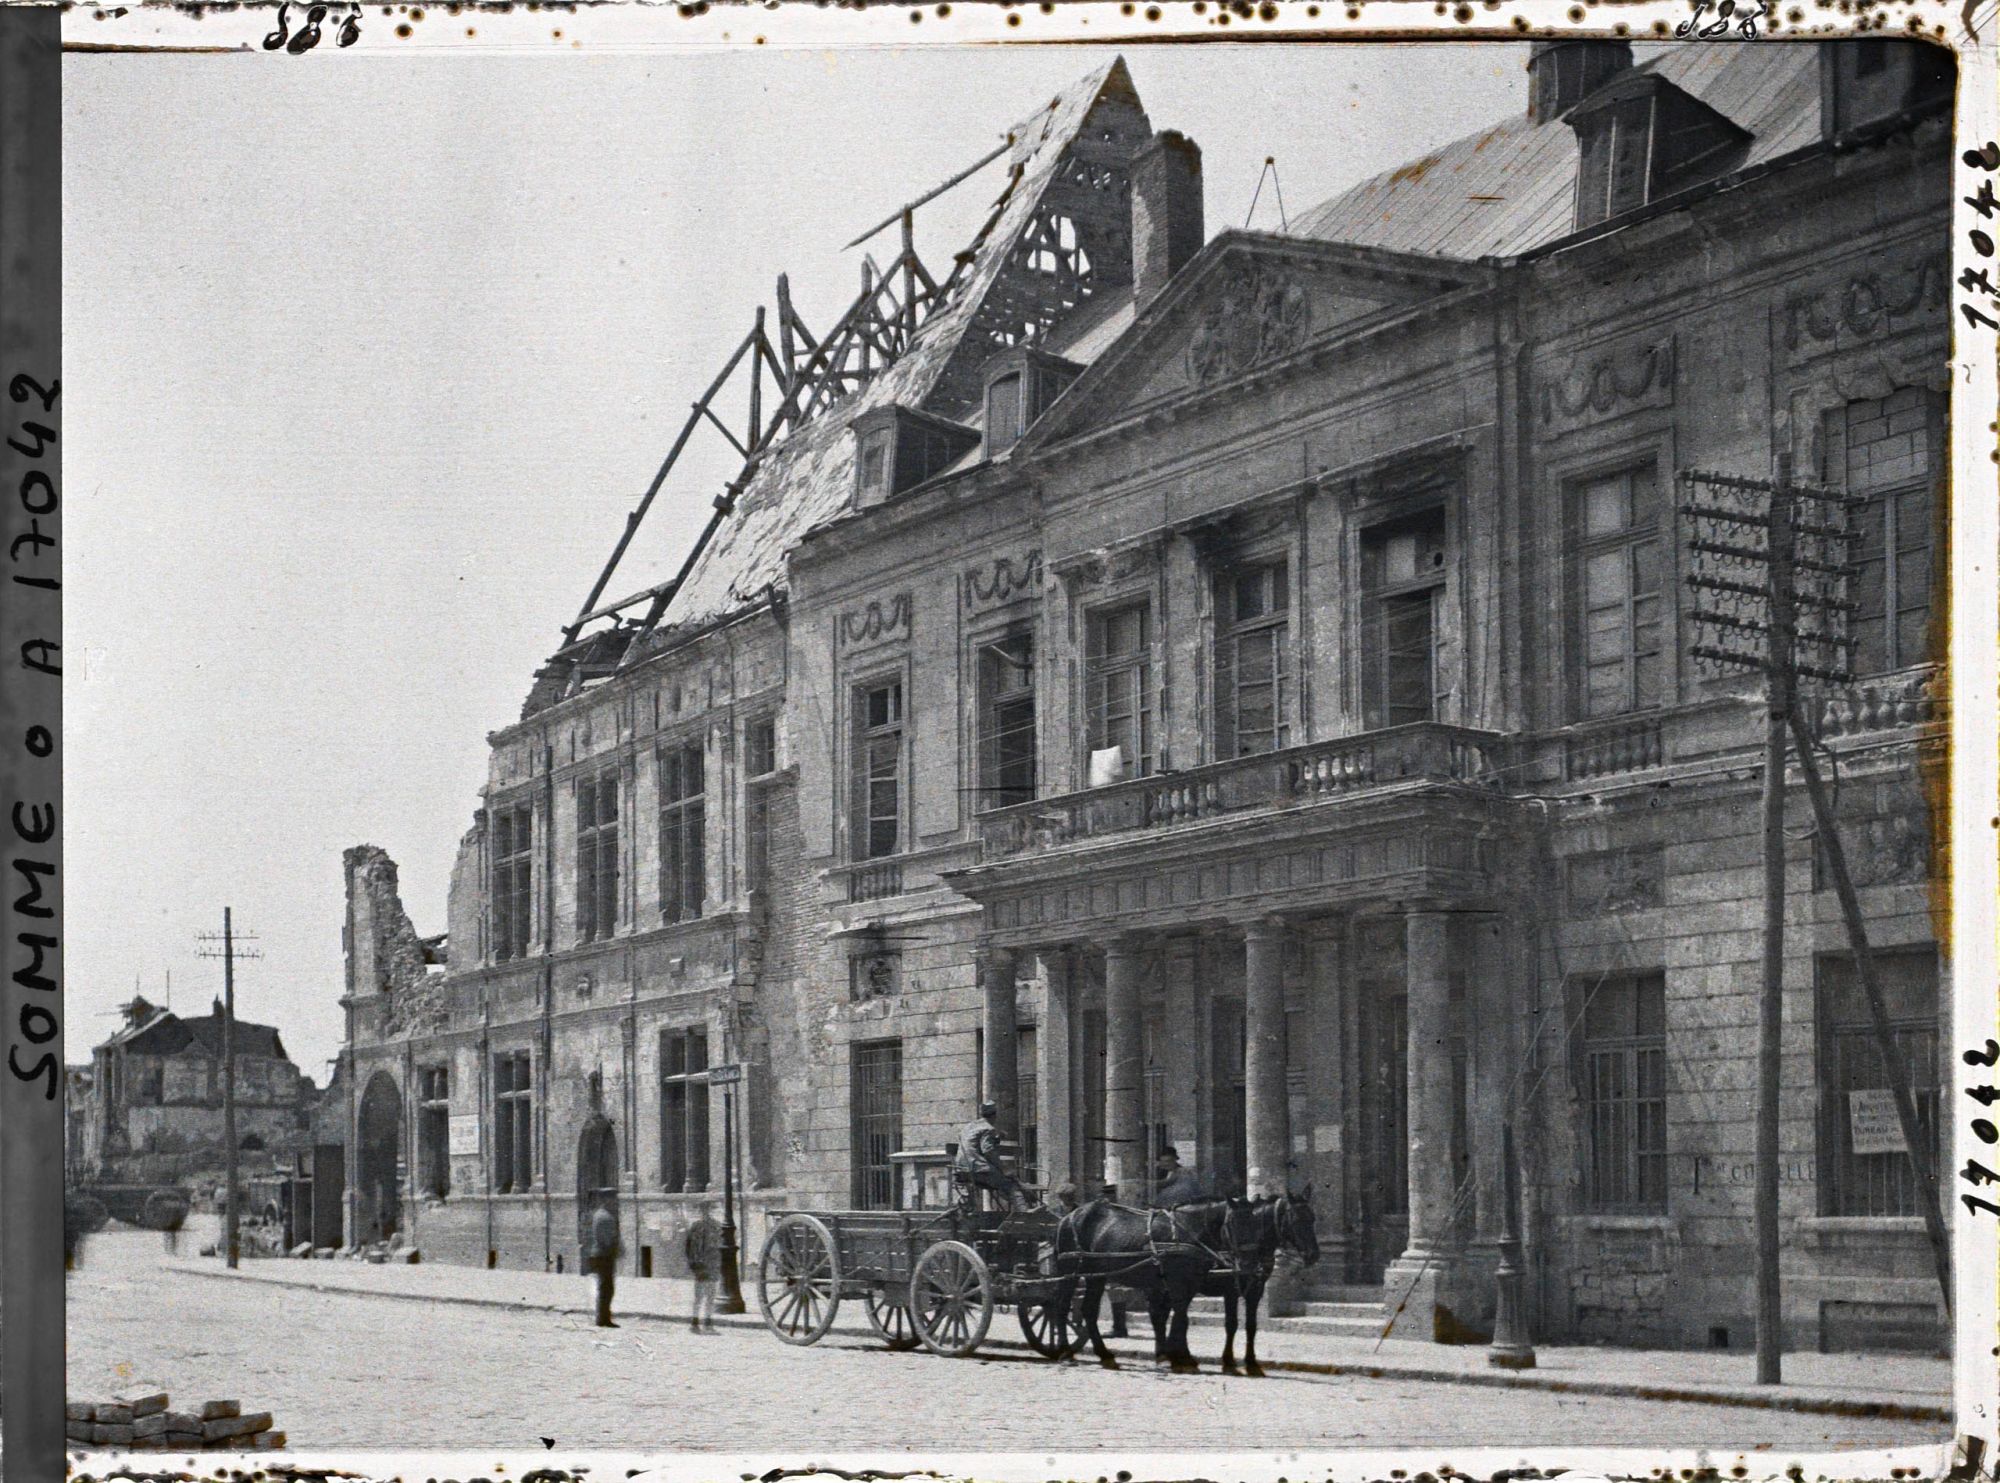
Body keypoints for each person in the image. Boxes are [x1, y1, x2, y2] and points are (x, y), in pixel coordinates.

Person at [954, 1100, 1030, 1212]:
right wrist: (1004, 1169)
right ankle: (1025, 1212)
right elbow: (988, 1151)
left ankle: (1014, 1210)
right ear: (994, 1115)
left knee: (1001, 1184)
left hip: (961, 1169)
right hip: (978, 1170)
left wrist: (997, 1138)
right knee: (1010, 1184)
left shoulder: (969, 1126)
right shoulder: (988, 1128)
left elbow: (974, 1143)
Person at [684, 1201, 722, 1333]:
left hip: (709, 1264)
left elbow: (720, 1246)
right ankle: (697, 1324)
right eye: (704, 1210)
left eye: (707, 1210)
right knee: (701, 1296)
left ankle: (705, 1323)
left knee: (707, 1296)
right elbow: (689, 1247)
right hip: (703, 1265)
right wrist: (693, 1263)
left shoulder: (714, 1226)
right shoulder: (699, 1227)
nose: (706, 1213)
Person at [585, 1195, 620, 1328]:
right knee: (606, 1288)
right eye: (612, 1200)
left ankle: (604, 1317)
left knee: (605, 1287)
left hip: (601, 1255)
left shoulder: (600, 1215)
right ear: (606, 1201)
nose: (614, 1202)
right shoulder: (604, 1217)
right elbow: (606, 1239)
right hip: (604, 1255)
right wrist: (613, 1248)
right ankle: (603, 1318)